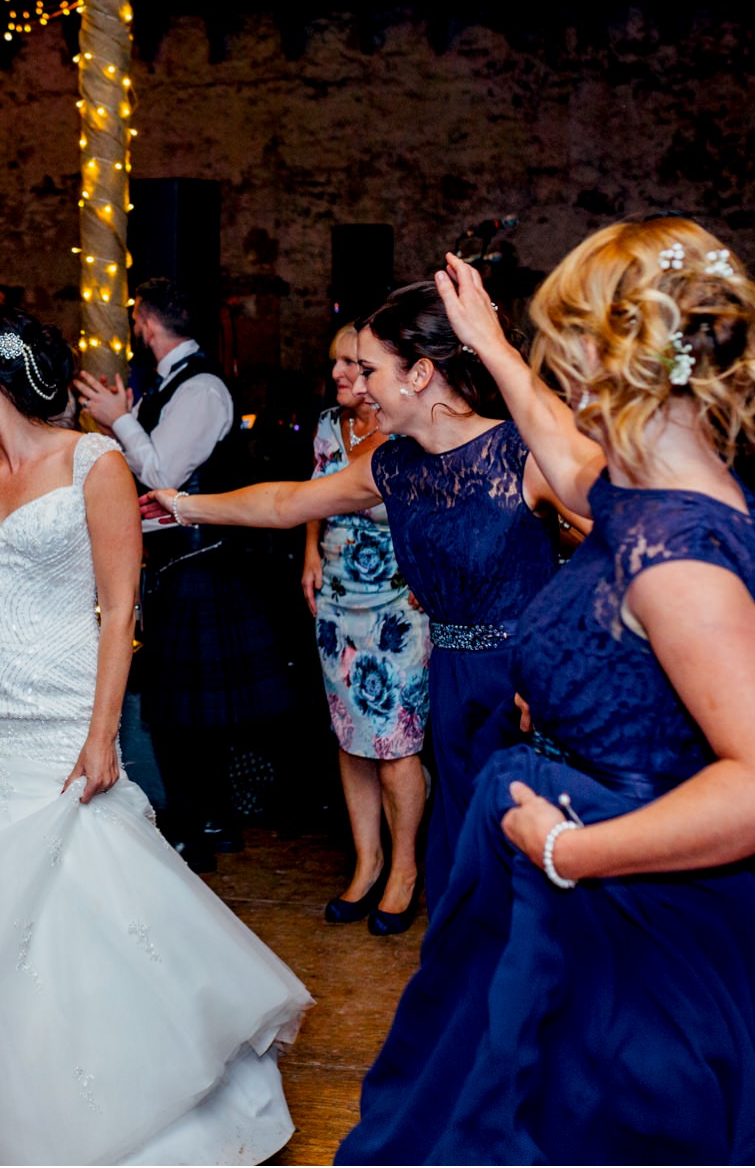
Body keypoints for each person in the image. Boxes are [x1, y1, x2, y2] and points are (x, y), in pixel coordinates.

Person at [337, 223, 755, 1162]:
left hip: (635, 914)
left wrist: (572, 848)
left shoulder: (677, 561)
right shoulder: (676, 496)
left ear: (603, 354)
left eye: (562, 338)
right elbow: (576, 467)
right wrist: (491, 347)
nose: (554, 364)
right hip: (649, 897)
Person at [0, 309, 313, 1165]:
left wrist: (101, 735)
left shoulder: (94, 461)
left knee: (79, 927)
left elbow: (122, 607)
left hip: (61, 723)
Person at [143, 279, 589, 921]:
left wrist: (560, 661)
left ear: (420, 375)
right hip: (451, 680)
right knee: (467, 879)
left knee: (526, 878)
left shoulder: (521, 453)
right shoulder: (395, 465)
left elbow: (623, 545)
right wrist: (182, 504)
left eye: (370, 369)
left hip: (524, 689)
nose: (357, 383)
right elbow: (286, 502)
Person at [75, 276, 291, 869]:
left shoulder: (203, 391)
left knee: (188, 712)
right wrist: (117, 420)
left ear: (147, 323)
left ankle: (204, 826)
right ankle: (201, 821)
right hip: (175, 561)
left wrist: (121, 418)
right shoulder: (170, 385)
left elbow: (163, 471)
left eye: (138, 320)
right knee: (175, 711)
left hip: (202, 562)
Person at [303, 322, 431, 932]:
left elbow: (437, 513)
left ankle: (404, 869)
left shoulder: (411, 428)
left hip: (398, 607)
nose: (339, 374)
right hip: (335, 600)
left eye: (351, 363)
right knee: (350, 737)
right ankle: (366, 863)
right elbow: (312, 496)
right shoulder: (331, 425)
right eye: (336, 363)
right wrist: (309, 554)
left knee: (395, 747)